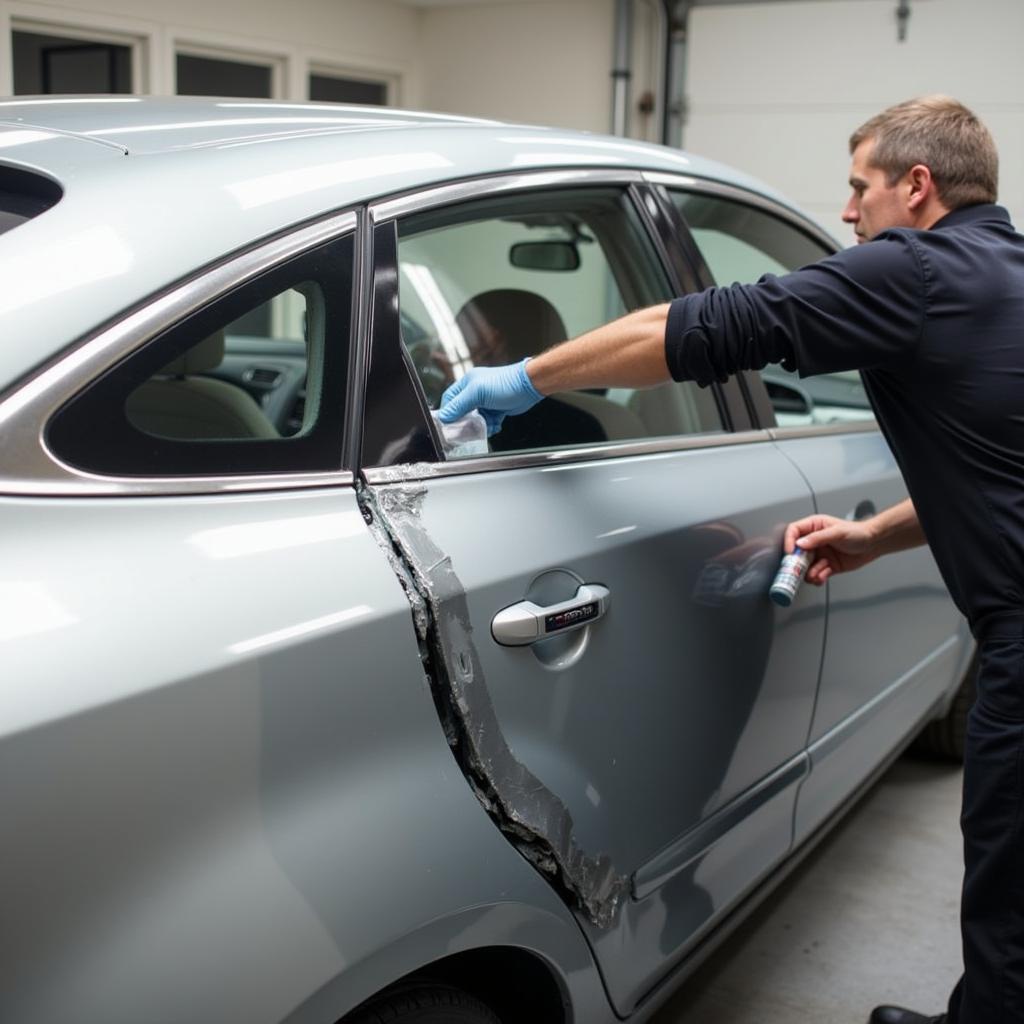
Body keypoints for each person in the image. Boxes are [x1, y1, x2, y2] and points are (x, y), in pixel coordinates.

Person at [437, 96, 1024, 1024]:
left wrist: (523, 380)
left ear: (916, 188)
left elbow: (684, 332)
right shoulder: (1005, 273)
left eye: (857, 188)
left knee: (1012, 890)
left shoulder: (913, 270)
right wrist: (875, 534)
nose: (846, 215)